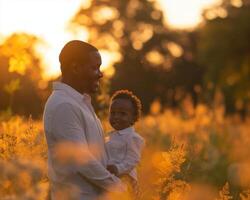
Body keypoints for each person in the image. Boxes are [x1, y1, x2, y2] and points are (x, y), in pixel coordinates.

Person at [43, 40, 125, 200]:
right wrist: (119, 187)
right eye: (94, 68)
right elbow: (82, 160)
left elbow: (93, 156)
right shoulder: (64, 105)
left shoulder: (79, 102)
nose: (100, 73)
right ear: (75, 68)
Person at [105, 90, 145, 199]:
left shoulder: (133, 138)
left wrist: (118, 168)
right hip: (111, 180)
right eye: (112, 113)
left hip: (126, 180)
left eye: (123, 114)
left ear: (133, 118)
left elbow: (133, 160)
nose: (116, 116)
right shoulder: (109, 136)